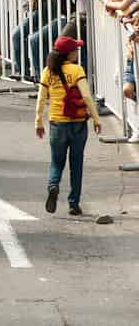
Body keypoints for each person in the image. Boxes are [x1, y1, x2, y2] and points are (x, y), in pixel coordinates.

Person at [36, 35, 102, 216]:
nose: (77, 53)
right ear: (69, 53)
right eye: (75, 50)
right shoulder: (76, 70)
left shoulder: (47, 71)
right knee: (76, 163)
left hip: (57, 123)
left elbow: (42, 98)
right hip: (78, 124)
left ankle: (53, 185)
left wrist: (38, 121)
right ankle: (74, 203)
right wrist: (96, 118)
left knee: (57, 162)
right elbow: (87, 96)